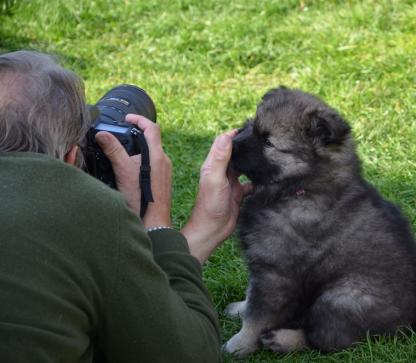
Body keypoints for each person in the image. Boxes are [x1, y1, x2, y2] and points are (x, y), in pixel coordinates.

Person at [0, 50, 251, 362]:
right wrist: (155, 221)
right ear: (69, 157)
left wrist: (198, 235)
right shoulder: (86, 208)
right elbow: (189, 354)